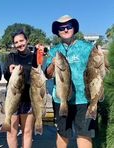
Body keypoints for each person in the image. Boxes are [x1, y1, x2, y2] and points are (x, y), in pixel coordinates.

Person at [45, 15, 95, 148]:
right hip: (61, 99)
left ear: (74, 28)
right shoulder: (54, 50)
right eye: (62, 28)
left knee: (84, 134)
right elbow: (48, 75)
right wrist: (52, 65)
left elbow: (96, 69)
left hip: (83, 99)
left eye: (69, 27)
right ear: (58, 31)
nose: (65, 29)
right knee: (63, 133)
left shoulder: (87, 47)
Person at [3, 30, 41, 148]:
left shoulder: (33, 56)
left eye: (21, 40)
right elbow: (5, 75)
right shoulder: (12, 56)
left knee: (27, 131)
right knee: (11, 131)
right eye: (16, 42)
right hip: (12, 98)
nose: (19, 44)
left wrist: (40, 51)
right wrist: (9, 70)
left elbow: (39, 67)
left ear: (27, 40)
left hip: (28, 98)